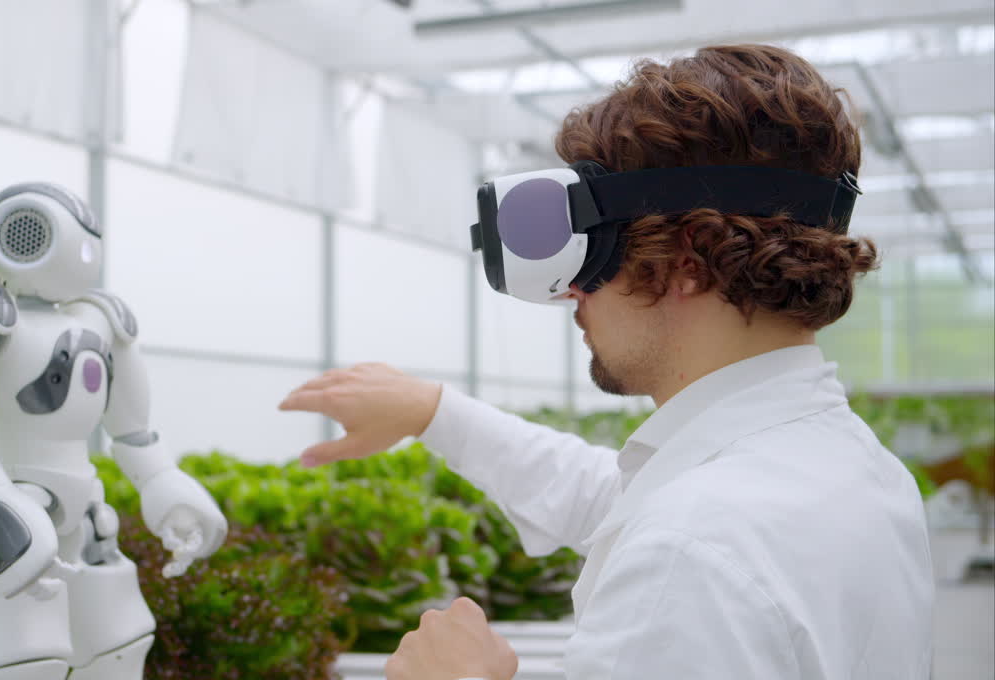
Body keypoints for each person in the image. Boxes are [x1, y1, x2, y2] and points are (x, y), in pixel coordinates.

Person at [278, 45, 934, 680]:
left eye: (592, 246)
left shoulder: (693, 557)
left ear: (687, 260)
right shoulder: (851, 470)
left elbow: (678, 534)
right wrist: (434, 414)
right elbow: (616, 496)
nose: (570, 289)